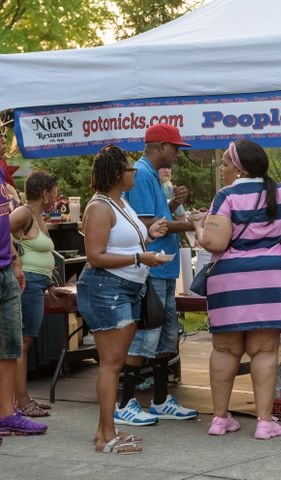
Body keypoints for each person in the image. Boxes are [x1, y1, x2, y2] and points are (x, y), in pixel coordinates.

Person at [191, 140, 281, 438]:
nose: (223, 168)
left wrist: (198, 229)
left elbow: (215, 243)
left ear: (240, 167)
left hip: (229, 281)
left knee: (225, 349)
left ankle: (219, 419)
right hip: (270, 279)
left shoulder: (226, 196)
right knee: (265, 350)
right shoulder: (279, 191)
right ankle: (265, 422)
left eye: (226, 164)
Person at [76, 144, 170, 454]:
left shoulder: (119, 203)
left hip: (125, 288)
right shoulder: (100, 206)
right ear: (118, 174)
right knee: (112, 365)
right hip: (106, 289)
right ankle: (105, 437)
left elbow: (123, 241)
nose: (134, 173)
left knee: (113, 364)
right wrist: (140, 256)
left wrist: (149, 234)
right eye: (129, 169)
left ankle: (107, 431)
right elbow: (95, 256)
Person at [117, 124, 198, 426]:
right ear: (160, 145)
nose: (178, 154)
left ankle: (161, 399)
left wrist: (174, 206)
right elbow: (148, 222)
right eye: (175, 148)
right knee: (145, 335)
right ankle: (125, 402)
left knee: (166, 336)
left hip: (163, 268)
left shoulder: (150, 175)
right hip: (151, 269)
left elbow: (158, 213)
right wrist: (191, 224)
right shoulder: (140, 174)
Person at [0, 160, 48, 436]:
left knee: (11, 345)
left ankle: (7, 413)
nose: (2, 141)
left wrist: (15, 262)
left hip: (6, 269)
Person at [9, 171, 58, 417]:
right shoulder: (24, 213)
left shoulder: (37, 214)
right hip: (27, 284)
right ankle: (21, 401)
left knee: (25, 341)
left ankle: (22, 398)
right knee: (22, 343)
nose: (57, 195)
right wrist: (15, 258)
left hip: (39, 284)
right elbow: (2, 231)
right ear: (45, 192)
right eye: (55, 190)